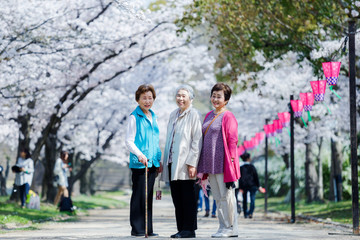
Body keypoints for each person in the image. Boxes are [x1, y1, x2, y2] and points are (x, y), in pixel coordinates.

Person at [197, 82, 240, 238]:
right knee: (217, 196)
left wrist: (232, 165)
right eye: (213, 96)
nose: (215, 99)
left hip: (223, 163)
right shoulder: (209, 115)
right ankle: (222, 226)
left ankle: (230, 227)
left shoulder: (228, 116)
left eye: (219, 96)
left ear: (226, 100)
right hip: (210, 163)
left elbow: (233, 141)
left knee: (226, 196)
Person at [161, 85, 202, 238]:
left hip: (186, 163)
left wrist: (193, 163)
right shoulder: (173, 114)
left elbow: (197, 140)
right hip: (172, 162)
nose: (180, 98)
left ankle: (189, 229)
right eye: (178, 95)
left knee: (188, 197)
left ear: (190, 98)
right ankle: (181, 228)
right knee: (177, 197)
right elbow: (169, 139)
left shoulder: (194, 114)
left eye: (184, 96)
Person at [125, 84, 162, 237]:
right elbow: (129, 141)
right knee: (139, 195)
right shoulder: (134, 117)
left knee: (148, 196)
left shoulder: (153, 116)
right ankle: (137, 229)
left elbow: (155, 140)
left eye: (150, 98)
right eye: (144, 98)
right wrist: (140, 155)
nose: (147, 101)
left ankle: (148, 229)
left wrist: (158, 160)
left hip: (152, 163)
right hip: (140, 163)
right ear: (138, 99)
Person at [239, 152, 264, 219]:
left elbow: (240, 178)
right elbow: (256, 177)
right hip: (252, 185)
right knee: (252, 200)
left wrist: (240, 187)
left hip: (244, 186)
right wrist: (258, 186)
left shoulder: (241, 168)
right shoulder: (252, 167)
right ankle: (250, 213)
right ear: (248, 158)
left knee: (244, 200)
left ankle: (245, 213)